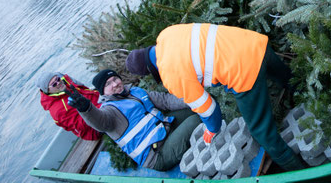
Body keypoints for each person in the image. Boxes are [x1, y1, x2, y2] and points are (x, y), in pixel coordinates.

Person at [125, 23, 307, 171]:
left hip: (243, 71)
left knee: (263, 134)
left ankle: (301, 172)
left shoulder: (171, 75)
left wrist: (211, 130)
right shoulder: (166, 34)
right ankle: (310, 94)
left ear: (149, 71)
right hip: (252, 42)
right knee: (288, 79)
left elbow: (209, 108)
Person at [66, 69, 200, 171]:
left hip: (165, 130)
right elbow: (100, 121)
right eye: (108, 84)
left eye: (115, 79)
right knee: (195, 120)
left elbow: (165, 101)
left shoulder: (134, 91)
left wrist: (197, 99)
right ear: (103, 92)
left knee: (195, 109)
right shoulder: (110, 110)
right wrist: (86, 109)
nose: (115, 84)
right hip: (157, 155)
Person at [36, 72, 102, 141]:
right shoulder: (58, 110)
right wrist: (99, 106)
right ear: (48, 91)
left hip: (98, 103)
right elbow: (82, 125)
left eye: (58, 79)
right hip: (93, 128)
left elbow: (86, 90)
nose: (58, 83)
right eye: (54, 84)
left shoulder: (66, 84)